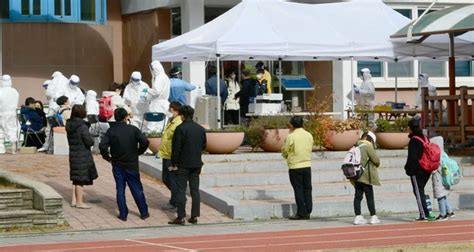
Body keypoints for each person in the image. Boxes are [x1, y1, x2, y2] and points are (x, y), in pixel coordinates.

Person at [99, 108, 150, 221]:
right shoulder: (133, 129)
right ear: (126, 117)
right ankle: (144, 212)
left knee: (120, 189)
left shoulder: (111, 131)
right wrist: (139, 152)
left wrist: (107, 157)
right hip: (131, 163)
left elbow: (102, 146)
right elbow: (145, 142)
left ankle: (123, 214)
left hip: (117, 163)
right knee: (136, 188)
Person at [169, 105, 206, 225]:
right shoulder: (200, 129)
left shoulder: (180, 129)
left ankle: (181, 216)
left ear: (182, 116)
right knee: (195, 190)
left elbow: (176, 149)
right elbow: (204, 146)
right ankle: (194, 216)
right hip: (196, 163)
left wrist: (174, 163)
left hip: (183, 164)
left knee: (181, 190)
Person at [281, 116, 314, 220]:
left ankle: (301, 212)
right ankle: (308, 210)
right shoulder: (309, 135)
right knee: (307, 188)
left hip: (295, 166)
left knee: (298, 189)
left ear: (292, 125)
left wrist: (286, 155)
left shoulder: (291, 136)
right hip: (307, 164)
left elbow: (285, 150)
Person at [66, 105, 98, 209]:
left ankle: (74, 200)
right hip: (82, 154)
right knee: (80, 178)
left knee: (76, 178)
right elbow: (89, 141)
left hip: (73, 153)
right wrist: (92, 138)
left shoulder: (69, 124)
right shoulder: (82, 126)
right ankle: (79, 202)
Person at [404, 118, 435, 222]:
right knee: (421, 191)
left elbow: (412, 158)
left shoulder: (414, 140)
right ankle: (428, 212)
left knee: (418, 192)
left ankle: (424, 214)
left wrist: (409, 170)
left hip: (418, 170)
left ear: (411, 128)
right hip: (427, 168)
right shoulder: (425, 138)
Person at [352, 131, 381, 225]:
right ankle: (373, 216)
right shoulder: (367, 146)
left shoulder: (355, 145)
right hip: (366, 176)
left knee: (357, 197)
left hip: (356, 175)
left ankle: (358, 216)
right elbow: (376, 160)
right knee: (370, 197)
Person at [158, 101, 183, 210]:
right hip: (165, 154)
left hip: (172, 156)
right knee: (166, 179)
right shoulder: (171, 121)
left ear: (175, 110)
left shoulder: (178, 123)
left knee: (172, 179)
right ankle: (177, 198)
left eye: (171, 109)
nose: (169, 111)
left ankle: (176, 201)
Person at [430, 136, 454, 221]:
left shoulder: (437, 155)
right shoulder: (444, 154)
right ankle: (449, 211)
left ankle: (443, 214)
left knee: (440, 196)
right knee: (444, 195)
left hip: (438, 178)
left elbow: (436, 167)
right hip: (445, 179)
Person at [147, 60, 171, 132]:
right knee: (163, 124)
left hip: (157, 104)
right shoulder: (165, 77)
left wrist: (148, 90)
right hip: (164, 103)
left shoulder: (159, 78)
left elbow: (156, 92)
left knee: (155, 126)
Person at [0, 75, 20, 154]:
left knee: (0, 130)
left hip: (1, 113)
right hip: (12, 113)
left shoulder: (0, 91)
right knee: (12, 129)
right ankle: (13, 146)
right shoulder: (14, 91)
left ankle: (1, 149)